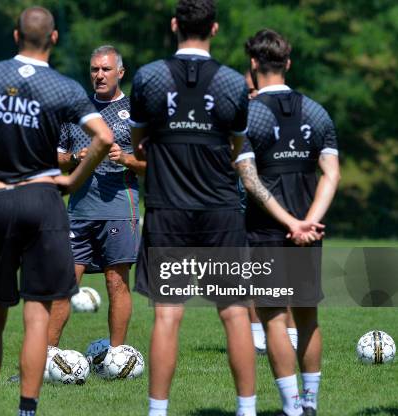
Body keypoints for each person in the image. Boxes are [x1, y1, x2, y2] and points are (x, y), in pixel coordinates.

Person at [129, 2, 319, 415]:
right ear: (214, 28)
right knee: (235, 314)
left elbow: (138, 140)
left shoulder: (148, 76)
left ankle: (157, 412)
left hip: (168, 209)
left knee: (167, 316)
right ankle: (246, 410)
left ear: (175, 24)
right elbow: (236, 146)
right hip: (220, 211)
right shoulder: (234, 83)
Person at [0, 6, 113, 416]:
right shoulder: (63, 86)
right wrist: (74, 180)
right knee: (36, 315)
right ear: (55, 39)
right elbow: (104, 136)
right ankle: (27, 410)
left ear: (14, 37)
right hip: (43, 201)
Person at [238, 29, 340, 416]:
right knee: (308, 314)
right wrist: (308, 222)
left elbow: (250, 178)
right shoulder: (316, 111)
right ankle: (311, 403)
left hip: (266, 230)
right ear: (288, 63)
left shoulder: (246, 114)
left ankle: (291, 407)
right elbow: (331, 173)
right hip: (308, 231)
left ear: (253, 64)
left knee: (274, 318)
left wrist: (288, 223)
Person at [48, 45, 145, 348]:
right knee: (64, 285)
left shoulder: (137, 112)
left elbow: (153, 162)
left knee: (116, 282)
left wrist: (126, 159)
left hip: (120, 208)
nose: (99, 75)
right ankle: (44, 357)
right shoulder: (76, 110)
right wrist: (78, 157)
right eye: (94, 69)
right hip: (78, 210)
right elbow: (56, 157)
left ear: (120, 72)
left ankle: (117, 356)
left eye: (105, 69)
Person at [243, 70, 299, 355]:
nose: (251, 95)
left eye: (254, 89)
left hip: (277, 206)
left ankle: (289, 333)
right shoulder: (240, 122)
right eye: (247, 91)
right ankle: (258, 337)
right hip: (241, 206)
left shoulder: (276, 122)